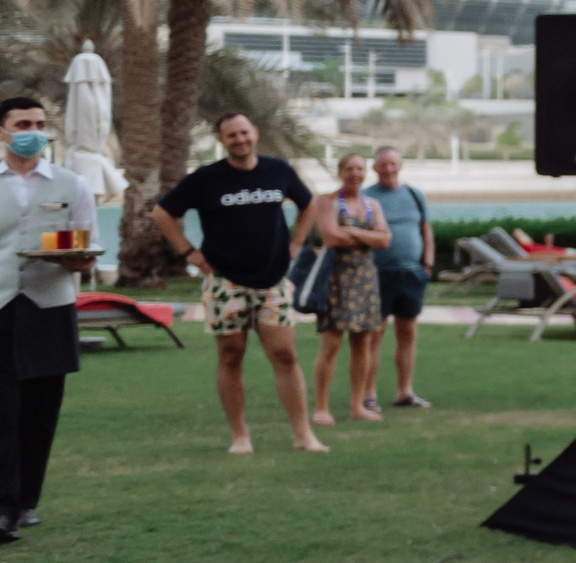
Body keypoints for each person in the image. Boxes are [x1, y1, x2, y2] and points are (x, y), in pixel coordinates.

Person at [153, 112, 327, 454]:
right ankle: (240, 436)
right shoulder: (206, 178)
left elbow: (309, 205)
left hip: (272, 280)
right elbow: (162, 214)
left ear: (255, 133)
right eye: (231, 135)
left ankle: (304, 435)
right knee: (231, 356)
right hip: (224, 281)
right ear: (222, 140)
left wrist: (295, 245)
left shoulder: (278, 170)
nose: (240, 140)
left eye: (244, 133)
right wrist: (189, 252)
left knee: (285, 355)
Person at [0, 98, 95, 541]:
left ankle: (27, 501)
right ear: (3, 131)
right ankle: (4, 504)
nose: (33, 131)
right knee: (4, 409)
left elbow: (85, 250)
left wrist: (77, 262)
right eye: (23, 124)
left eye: (39, 124)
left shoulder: (71, 183)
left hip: (49, 305)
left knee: (41, 409)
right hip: (1, 304)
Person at [308, 153, 388, 425]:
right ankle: (321, 407)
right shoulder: (326, 201)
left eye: (359, 169)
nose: (355, 173)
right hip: (335, 279)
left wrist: (352, 232)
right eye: (349, 169)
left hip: (365, 279)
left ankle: (357, 406)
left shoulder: (372, 204)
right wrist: (369, 236)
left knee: (363, 342)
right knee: (331, 343)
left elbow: (385, 239)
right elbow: (331, 236)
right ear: (340, 171)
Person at [366, 146, 433, 408]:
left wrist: (428, 262)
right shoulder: (366, 196)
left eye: (392, 164)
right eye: (383, 165)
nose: (388, 170)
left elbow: (426, 229)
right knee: (374, 335)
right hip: (377, 275)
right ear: (375, 168)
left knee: (407, 333)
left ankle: (405, 391)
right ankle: (368, 394)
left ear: (400, 165)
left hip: (412, 274)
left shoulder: (415, 195)